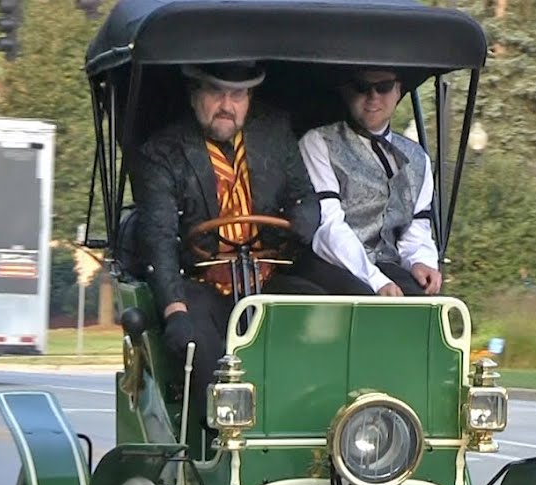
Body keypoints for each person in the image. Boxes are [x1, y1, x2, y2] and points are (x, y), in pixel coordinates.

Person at [130, 60, 324, 430]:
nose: (227, 105)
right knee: (197, 345)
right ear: (194, 96)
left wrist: (304, 220)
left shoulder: (273, 132)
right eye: (216, 93)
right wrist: (175, 311)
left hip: (267, 275)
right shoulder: (162, 152)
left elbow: (305, 197)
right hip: (200, 281)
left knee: (329, 314)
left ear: (249, 99)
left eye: (238, 95)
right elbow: (158, 237)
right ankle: (221, 440)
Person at [296, 66, 442, 297]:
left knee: (424, 301)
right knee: (366, 299)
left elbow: (417, 231)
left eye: (383, 87)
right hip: (331, 263)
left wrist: (420, 261)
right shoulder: (318, 143)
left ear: (398, 91)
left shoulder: (418, 158)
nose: (373, 97)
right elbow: (328, 226)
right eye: (361, 87)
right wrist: (374, 279)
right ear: (346, 92)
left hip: (387, 264)